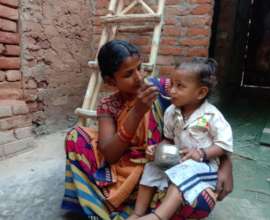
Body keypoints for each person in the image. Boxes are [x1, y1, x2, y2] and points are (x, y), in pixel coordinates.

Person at [62, 40, 233, 219]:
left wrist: (225, 163)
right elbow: (110, 155)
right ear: (110, 81)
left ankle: (151, 212)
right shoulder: (108, 106)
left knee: (200, 200)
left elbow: (204, 115)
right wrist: (137, 112)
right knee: (75, 137)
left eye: (139, 68)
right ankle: (133, 209)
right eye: (128, 74)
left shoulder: (161, 88)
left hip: (164, 169)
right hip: (126, 174)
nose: (138, 77)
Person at [128, 58, 233, 220]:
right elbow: (168, 139)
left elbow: (224, 145)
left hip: (203, 167)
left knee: (183, 173)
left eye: (180, 86)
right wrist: (158, 149)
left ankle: (158, 216)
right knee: (152, 165)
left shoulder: (212, 116)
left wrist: (202, 153)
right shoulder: (171, 111)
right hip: (178, 159)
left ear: (200, 93)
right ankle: (138, 213)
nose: (172, 91)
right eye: (172, 84)